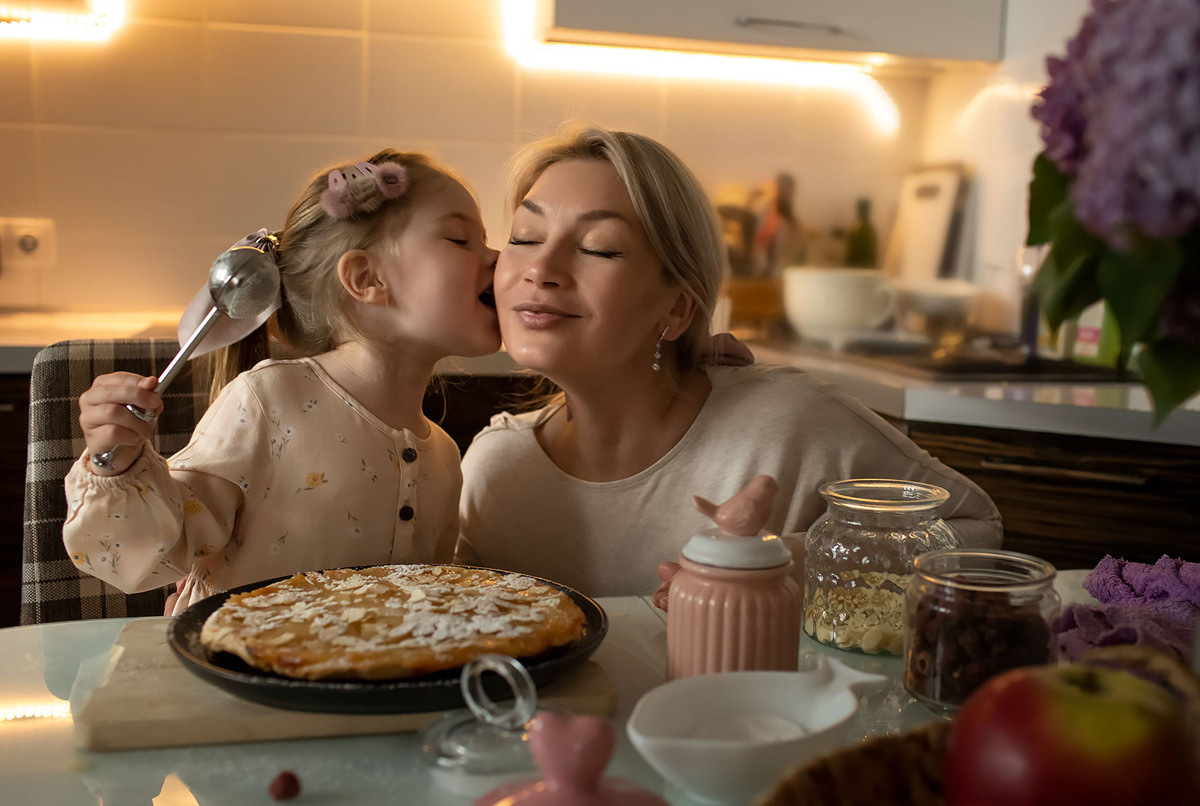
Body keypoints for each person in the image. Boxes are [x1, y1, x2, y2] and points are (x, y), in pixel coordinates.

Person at [455, 125, 1003, 598]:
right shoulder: (493, 469)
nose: (540, 268)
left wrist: (799, 560)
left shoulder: (790, 426)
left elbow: (976, 526)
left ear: (677, 307)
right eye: (524, 237)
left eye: (599, 247)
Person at [64, 149, 500, 614]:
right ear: (366, 277)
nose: (499, 257)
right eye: (459, 239)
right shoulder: (268, 401)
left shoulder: (444, 456)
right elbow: (161, 554)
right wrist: (117, 463)